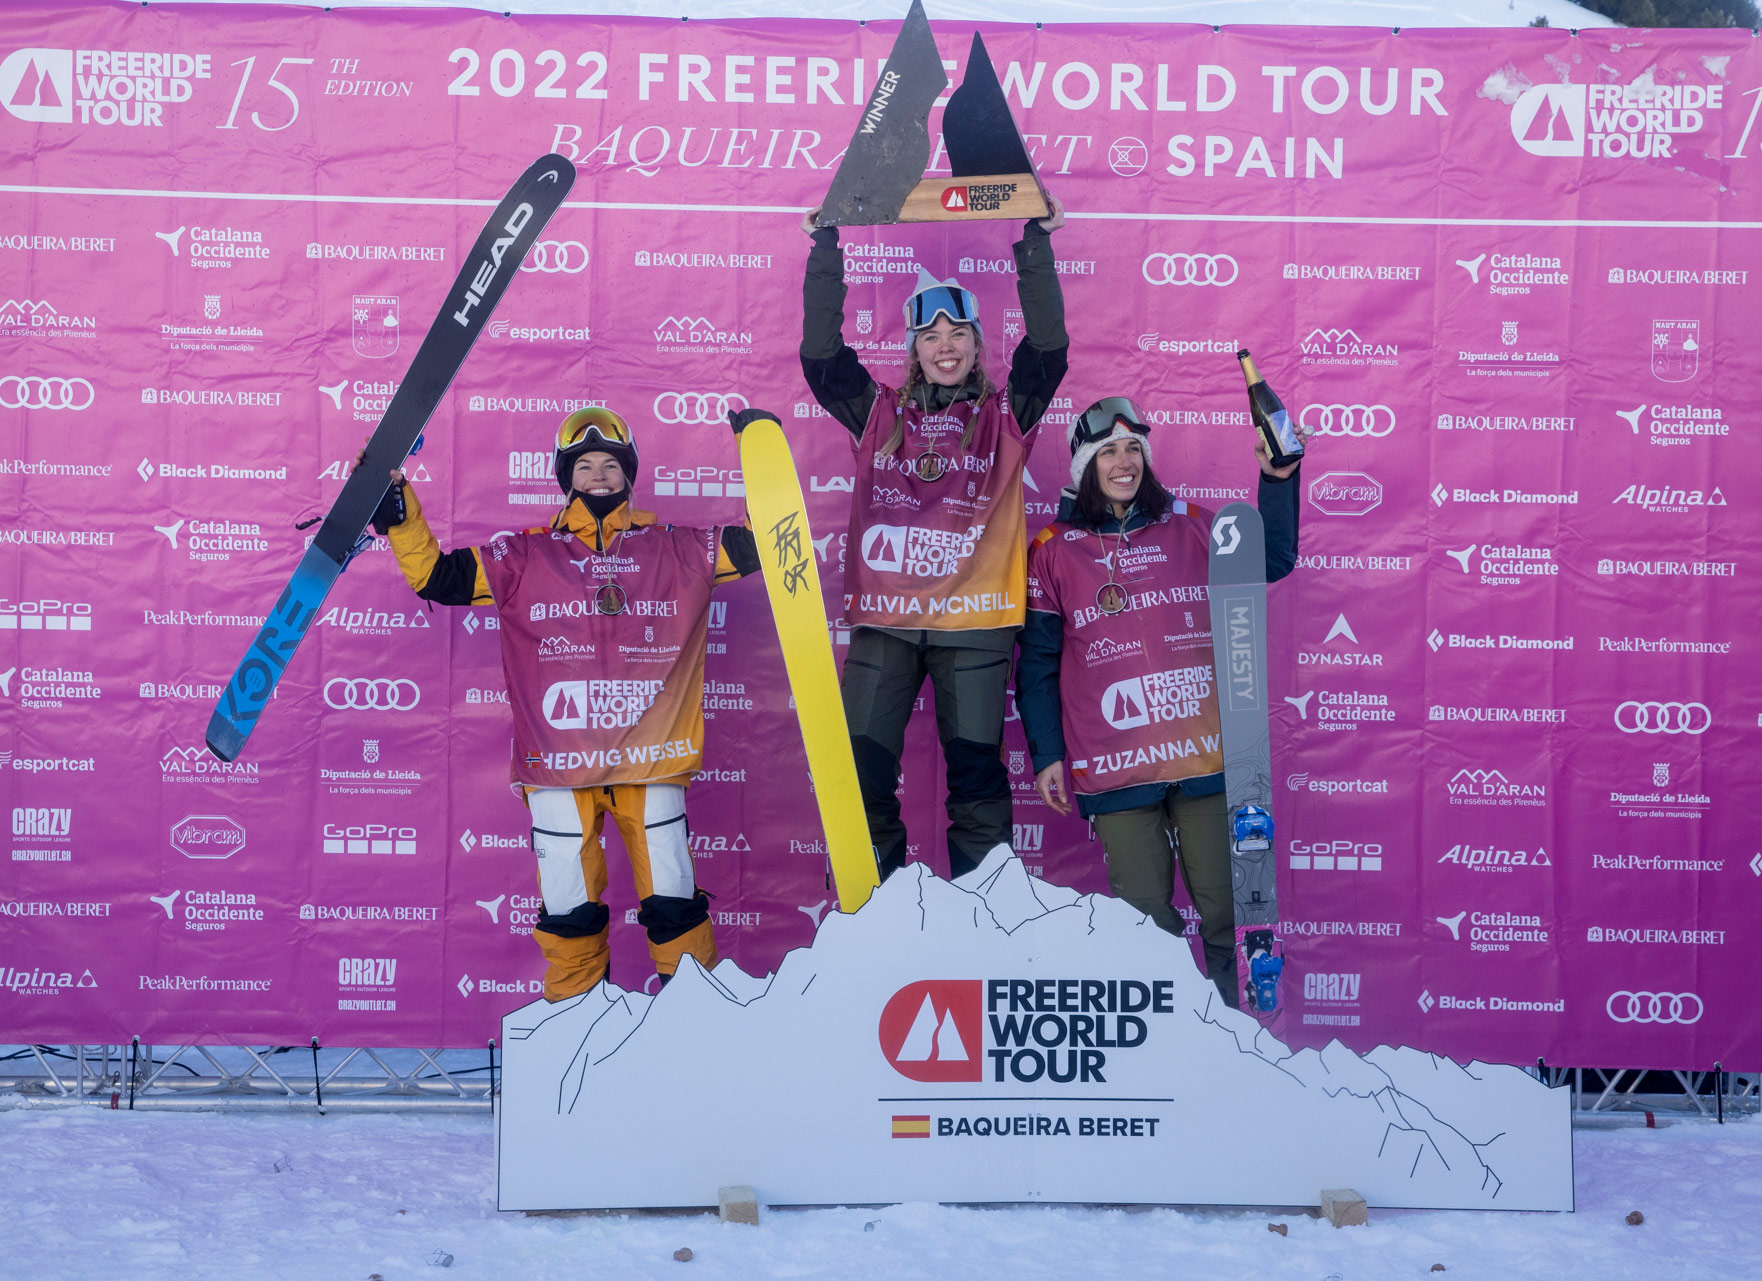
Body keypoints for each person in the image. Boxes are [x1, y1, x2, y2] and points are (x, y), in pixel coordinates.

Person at [369, 407, 765, 1000]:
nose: (599, 475)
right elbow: (439, 579)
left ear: (630, 473)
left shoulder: (676, 549)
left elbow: (764, 545)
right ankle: (575, 1035)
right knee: (568, 908)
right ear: (565, 477)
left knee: (674, 904)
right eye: (585, 466)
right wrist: (402, 518)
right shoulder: (525, 556)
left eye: (611, 464)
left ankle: (696, 1032)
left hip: (650, 761)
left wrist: (763, 460)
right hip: (557, 767)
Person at [799, 200, 1068, 886]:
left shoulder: (1004, 417)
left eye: (958, 333)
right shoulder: (879, 413)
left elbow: (1049, 353)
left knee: (976, 779)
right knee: (860, 777)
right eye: (931, 334)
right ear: (914, 348)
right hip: (886, 623)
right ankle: (881, 920)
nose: (945, 345)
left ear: (979, 344)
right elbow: (822, 358)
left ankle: (981, 922)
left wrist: (1034, 245)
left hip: (975, 625)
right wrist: (826, 249)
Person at [1014, 398, 1301, 1002]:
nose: (1124, 462)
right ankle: (1178, 1061)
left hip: (1204, 758)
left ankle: (1244, 1048)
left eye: (1134, 449)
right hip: (1114, 768)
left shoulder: (1193, 524)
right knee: (1146, 927)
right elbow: (1037, 663)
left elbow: (1272, 558)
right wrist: (1046, 754)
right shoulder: (1052, 548)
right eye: (1109, 451)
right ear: (1084, 466)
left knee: (1229, 916)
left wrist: (1277, 479)